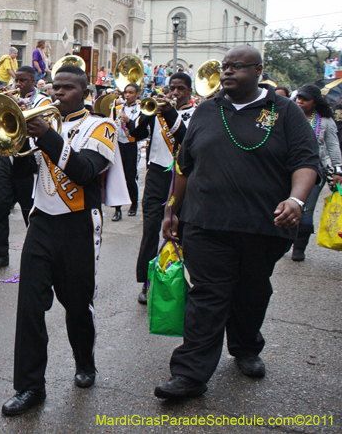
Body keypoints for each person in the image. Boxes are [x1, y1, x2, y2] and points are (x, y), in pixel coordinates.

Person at [154, 45, 320, 399]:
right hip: (205, 225)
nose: (227, 72)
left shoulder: (285, 111)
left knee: (251, 292)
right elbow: (185, 165)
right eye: (224, 66)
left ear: (258, 70)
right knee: (207, 296)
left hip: (263, 227)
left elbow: (306, 162)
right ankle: (189, 374)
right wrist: (172, 210)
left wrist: (296, 199)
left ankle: (245, 347)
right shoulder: (206, 110)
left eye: (237, 66)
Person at [1, 64, 118, 416]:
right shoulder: (44, 126)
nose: (58, 93)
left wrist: (48, 137)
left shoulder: (102, 126)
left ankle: (85, 361)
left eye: (67, 88)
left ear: (85, 93)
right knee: (30, 307)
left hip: (78, 226)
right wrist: (15, 143)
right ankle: (30, 387)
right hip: (41, 224)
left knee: (77, 305)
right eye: (55, 87)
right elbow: (24, 174)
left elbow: (84, 172)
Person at [129, 72, 195, 304]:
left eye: (180, 88)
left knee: (180, 230)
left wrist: (169, 113)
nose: (175, 93)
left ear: (189, 91)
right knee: (150, 230)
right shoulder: (158, 112)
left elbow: (186, 140)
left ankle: (180, 280)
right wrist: (145, 114)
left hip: (183, 177)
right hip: (157, 174)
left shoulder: (195, 113)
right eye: (172, 88)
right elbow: (136, 134)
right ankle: (147, 281)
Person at [0, 66, 50, 271]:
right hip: (7, 156)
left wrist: (21, 109)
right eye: (17, 80)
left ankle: (38, 254)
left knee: (29, 210)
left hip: (28, 157)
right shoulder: (10, 99)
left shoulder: (43, 101)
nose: (19, 84)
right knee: (0, 207)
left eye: (23, 80)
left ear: (33, 81)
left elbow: (45, 127)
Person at [291, 84, 342, 261]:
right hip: (287, 169)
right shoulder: (288, 116)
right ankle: (283, 240)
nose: (300, 101)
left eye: (305, 99)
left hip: (314, 171)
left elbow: (333, 146)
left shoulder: (326, 121)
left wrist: (338, 170)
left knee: (306, 208)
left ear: (315, 102)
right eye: (298, 97)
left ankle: (299, 248)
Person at [110, 83, 142, 221]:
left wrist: (129, 121)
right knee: (117, 176)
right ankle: (117, 209)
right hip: (118, 144)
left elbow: (140, 129)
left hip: (131, 144)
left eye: (131, 92)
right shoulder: (117, 108)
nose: (127, 95)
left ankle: (134, 204)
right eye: (126, 92)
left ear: (137, 94)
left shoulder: (140, 109)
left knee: (130, 176)